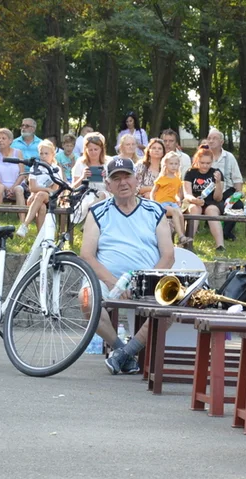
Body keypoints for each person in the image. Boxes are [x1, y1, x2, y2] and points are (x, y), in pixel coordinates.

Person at [79, 156, 175, 375]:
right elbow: (87, 255)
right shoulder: (98, 212)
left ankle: (125, 354)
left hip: (148, 280)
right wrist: (115, 283)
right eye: (116, 178)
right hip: (108, 280)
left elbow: (168, 256)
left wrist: (142, 283)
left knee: (171, 306)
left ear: (136, 179)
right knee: (85, 299)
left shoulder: (155, 211)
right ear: (108, 185)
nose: (123, 182)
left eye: (127, 176)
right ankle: (121, 349)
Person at [183, 147, 226, 252]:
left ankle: (220, 245)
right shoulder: (190, 173)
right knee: (195, 209)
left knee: (211, 210)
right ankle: (187, 243)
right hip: (194, 201)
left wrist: (218, 183)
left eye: (208, 163)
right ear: (197, 160)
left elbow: (218, 198)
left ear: (212, 162)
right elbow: (187, 194)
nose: (205, 166)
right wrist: (195, 200)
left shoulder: (216, 173)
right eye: (202, 163)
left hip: (212, 202)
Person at [15, 139, 61, 238]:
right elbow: (32, 187)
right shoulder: (35, 168)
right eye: (41, 153)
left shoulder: (56, 169)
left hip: (50, 198)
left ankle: (25, 225)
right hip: (35, 198)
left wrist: (46, 190)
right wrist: (46, 189)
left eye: (46, 153)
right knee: (42, 207)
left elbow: (54, 189)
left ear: (52, 154)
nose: (43, 156)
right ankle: (41, 237)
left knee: (40, 195)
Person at [151, 153, 190, 245]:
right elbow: (153, 192)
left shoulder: (177, 180)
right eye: (171, 164)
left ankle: (182, 239)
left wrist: (178, 200)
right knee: (174, 212)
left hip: (172, 202)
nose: (173, 166)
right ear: (166, 165)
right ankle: (181, 237)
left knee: (180, 214)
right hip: (162, 203)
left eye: (176, 164)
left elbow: (178, 194)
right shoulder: (162, 178)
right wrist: (153, 202)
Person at [71, 131, 109, 224]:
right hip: (85, 194)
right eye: (90, 150)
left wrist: (106, 178)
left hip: (106, 194)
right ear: (85, 150)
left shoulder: (108, 162)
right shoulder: (81, 162)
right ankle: (91, 220)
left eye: (96, 149)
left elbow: (113, 188)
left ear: (101, 149)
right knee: (94, 198)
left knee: (102, 195)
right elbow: (73, 188)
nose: (93, 152)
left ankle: (89, 218)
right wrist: (83, 177)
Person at [0, 128, 24, 224]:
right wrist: (5, 188)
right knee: (0, 187)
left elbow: (22, 174)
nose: (0, 140)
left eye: (3, 138)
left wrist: (12, 187)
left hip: (15, 184)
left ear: (10, 140)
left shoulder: (18, 153)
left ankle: (23, 223)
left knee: (19, 190)